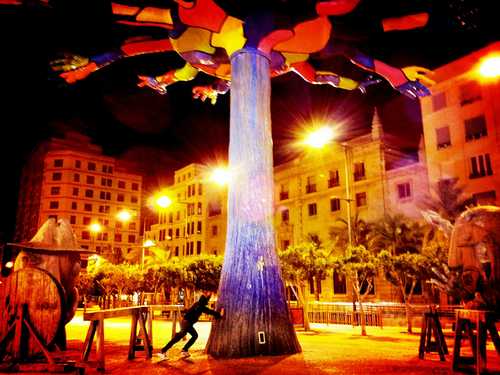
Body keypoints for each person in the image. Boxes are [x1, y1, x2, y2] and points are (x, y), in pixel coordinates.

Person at [157, 291, 222, 360]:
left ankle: (184, 350)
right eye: (207, 301)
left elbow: (208, 310)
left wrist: (209, 295)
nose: (207, 303)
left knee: (193, 336)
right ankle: (163, 351)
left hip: (186, 323)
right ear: (205, 302)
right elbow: (210, 311)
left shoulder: (197, 304)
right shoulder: (201, 307)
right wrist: (219, 314)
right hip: (187, 323)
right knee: (178, 338)